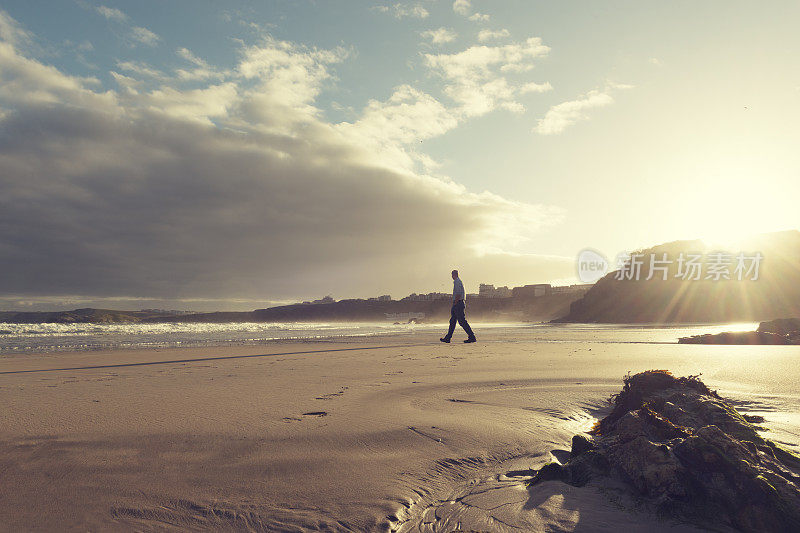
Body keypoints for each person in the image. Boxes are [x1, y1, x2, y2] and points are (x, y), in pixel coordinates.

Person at [440, 269, 477, 343]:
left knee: (461, 321)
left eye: (452, 275)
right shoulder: (458, 281)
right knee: (453, 321)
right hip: (459, 303)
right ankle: (448, 338)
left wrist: (455, 303)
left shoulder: (457, 282)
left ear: (454, 275)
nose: (451, 276)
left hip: (458, 303)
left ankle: (472, 336)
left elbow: (458, 294)